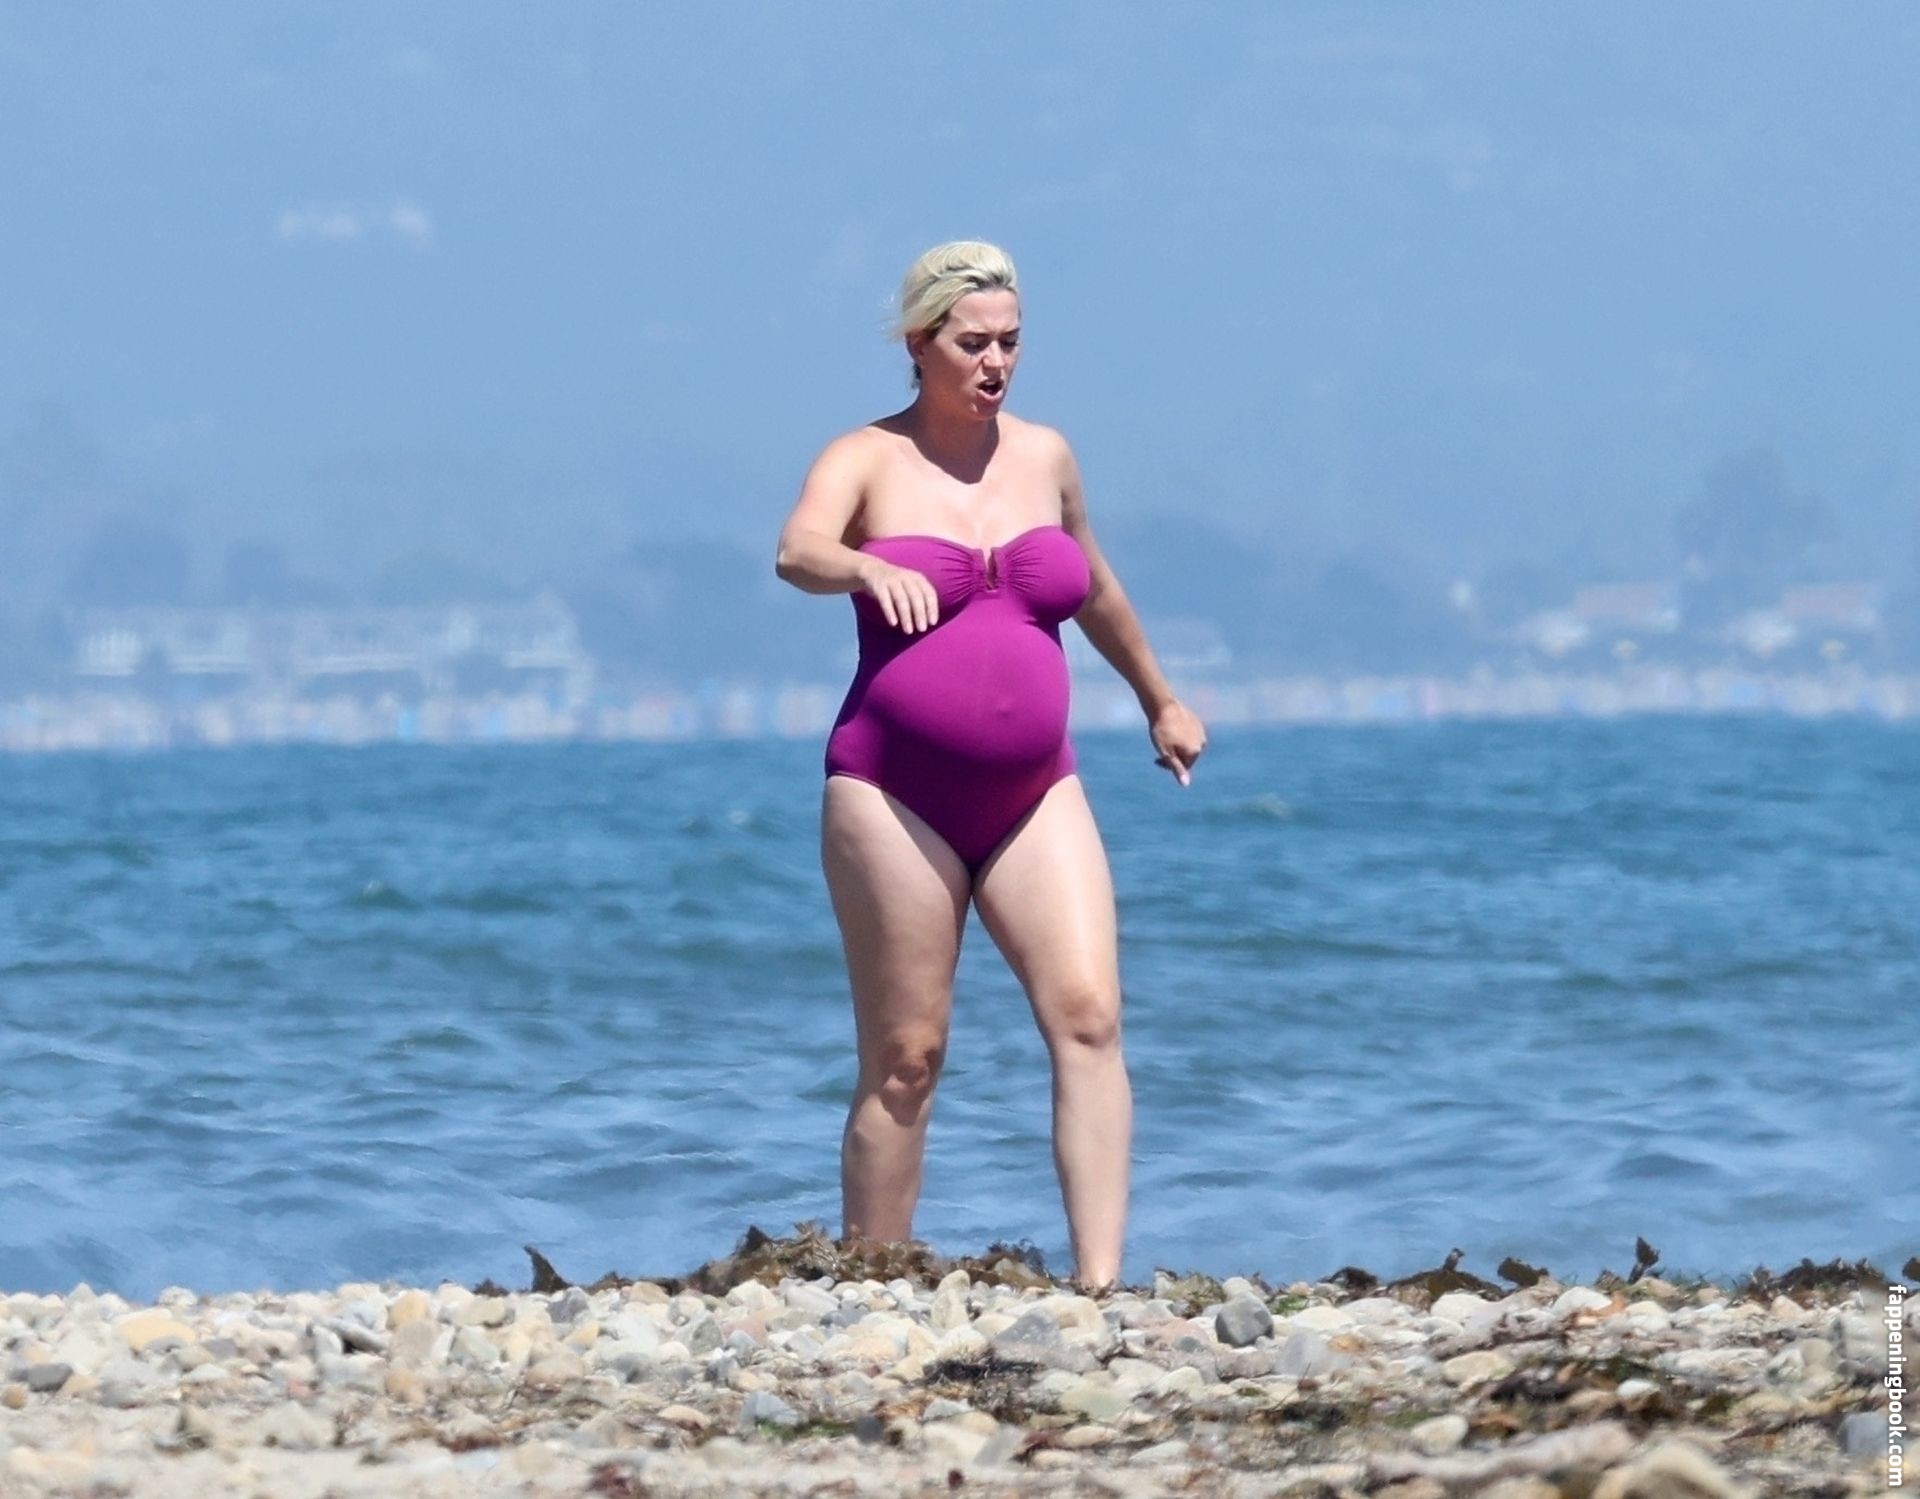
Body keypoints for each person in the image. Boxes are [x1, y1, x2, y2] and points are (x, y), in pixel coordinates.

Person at [773, 240, 1206, 1290]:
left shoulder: (1045, 456)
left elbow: (1094, 586)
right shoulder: (865, 457)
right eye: (973, 343)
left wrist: (1160, 697)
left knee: (1089, 1015)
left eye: (1011, 341)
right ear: (920, 343)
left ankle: (1101, 1289)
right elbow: (797, 551)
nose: (996, 362)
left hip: (1035, 788)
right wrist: (864, 566)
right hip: (892, 794)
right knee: (907, 1057)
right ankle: (874, 1282)